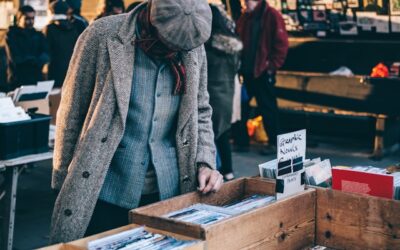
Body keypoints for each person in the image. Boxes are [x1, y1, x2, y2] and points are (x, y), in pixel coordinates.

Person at [50, 0, 223, 243]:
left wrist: (205, 162)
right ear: (152, 18)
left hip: (169, 192)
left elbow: (201, 109)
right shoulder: (101, 35)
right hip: (105, 188)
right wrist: (62, 181)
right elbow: (71, 110)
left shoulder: (192, 46)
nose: (176, 52)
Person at [236, 0, 288, 154]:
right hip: (247, 71)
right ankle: (242, 142)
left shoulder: (271, 15)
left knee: (268, 108)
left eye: (248, 0)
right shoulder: (245, 17)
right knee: (241, 107)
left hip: (262, 71)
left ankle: (275, 144)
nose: (245, 2)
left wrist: (271, 67)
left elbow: (281, 44)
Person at [206, 4, 242, 181]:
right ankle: (228, 170)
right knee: (222, 134)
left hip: (210, 94)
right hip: (227, 93)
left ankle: (213, 171)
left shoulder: (206, 44)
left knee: (208, 136)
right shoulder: (231, 45)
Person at [5, 5, 49, 90]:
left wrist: (29, 59)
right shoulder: (11, 35)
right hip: (17, 80)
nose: (31, 21)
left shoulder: (38, 35)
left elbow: (46, 56)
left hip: (35, 79)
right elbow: (15, 58)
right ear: (19, 19)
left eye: (33, 18)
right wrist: (35, 60)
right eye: (27, 18)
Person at [44, 0, 82, 88]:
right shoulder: (73, 28)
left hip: (54, 70)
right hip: (71, 69)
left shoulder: (49, 29)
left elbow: (47, 51)